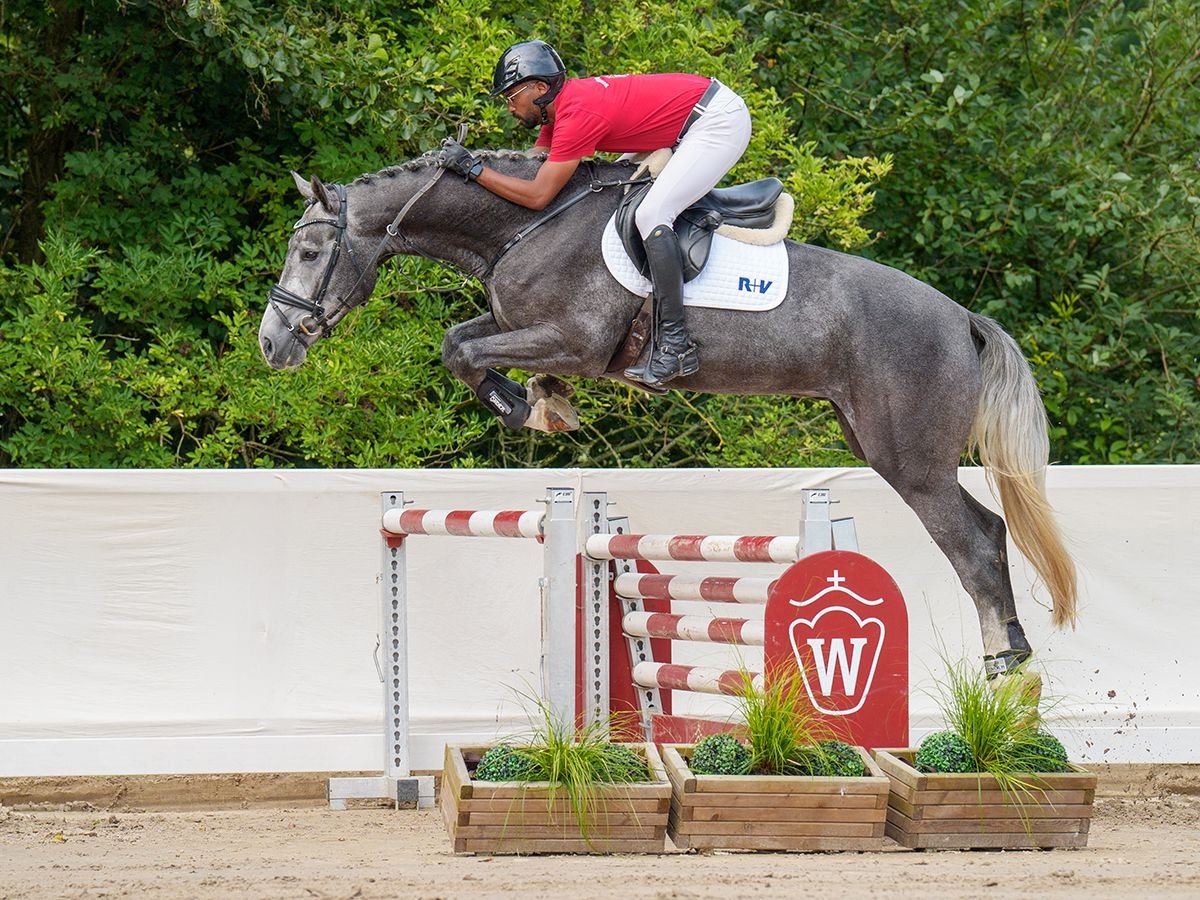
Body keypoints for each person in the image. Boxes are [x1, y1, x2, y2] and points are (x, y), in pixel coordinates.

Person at [438, 39, 752, 388]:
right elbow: (530, 171)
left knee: (650, 215)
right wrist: (473, 176)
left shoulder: (576, 114)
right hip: (685, 121)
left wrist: (475, 169)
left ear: (540, 88)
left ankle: (676, 344)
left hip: (716, 121)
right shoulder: (555, 113)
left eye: (512, 97)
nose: (509, 107)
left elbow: (539, 195)